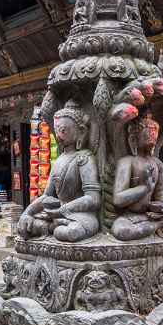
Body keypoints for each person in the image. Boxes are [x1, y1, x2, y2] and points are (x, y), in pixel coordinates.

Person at [18, 100, 100, 243]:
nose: (58, 136)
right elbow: (47, 196)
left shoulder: (84, 158)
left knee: (71, 232)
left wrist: (62, 210)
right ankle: (51, 227)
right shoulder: (59, 160)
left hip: (80, 215)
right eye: (56, 131)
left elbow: (93, 198)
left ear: (81, 131)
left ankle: (51, 228)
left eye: (63, 131)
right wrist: (27, 213)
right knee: (25, 227)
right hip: (56, 214)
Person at [111, 112, 163, 241]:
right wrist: (144, 188)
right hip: (131, 217)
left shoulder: (157, 164)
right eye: (148, 130)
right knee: (121, 231)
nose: (153, 134)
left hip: (152, 216)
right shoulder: (127, 162)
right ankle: (158, 226)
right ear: (134, 138)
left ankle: (155, 226)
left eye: (155, 130)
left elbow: (161, 195)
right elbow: (118, 199)